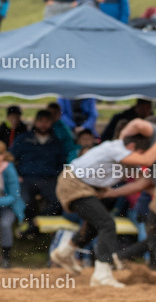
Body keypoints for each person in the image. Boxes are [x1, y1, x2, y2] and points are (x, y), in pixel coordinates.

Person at [50, 119, 156, 286]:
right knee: (107, 224)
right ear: (132, 148)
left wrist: (113, 192)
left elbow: (143, 183)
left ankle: (64, 252)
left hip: (88, 186)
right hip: (73, 183)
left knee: (96, 224)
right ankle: (102, 275)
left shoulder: (127, 155)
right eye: (142, 152)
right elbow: (145, 158)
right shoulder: (116, 148)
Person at [10, 109, 64, 233]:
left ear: (51, 123)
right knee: (24, 200)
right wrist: (16, 175)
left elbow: (62, 163)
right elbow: (10, 159)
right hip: (26, 178)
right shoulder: (23, 139)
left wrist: (58, 177)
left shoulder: (56, 142)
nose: (43, 124)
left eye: (47, 121)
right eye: (41, 121)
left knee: (59, 201)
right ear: (35, 122)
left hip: (49, 179)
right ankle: (32, 224)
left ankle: (33, 224)